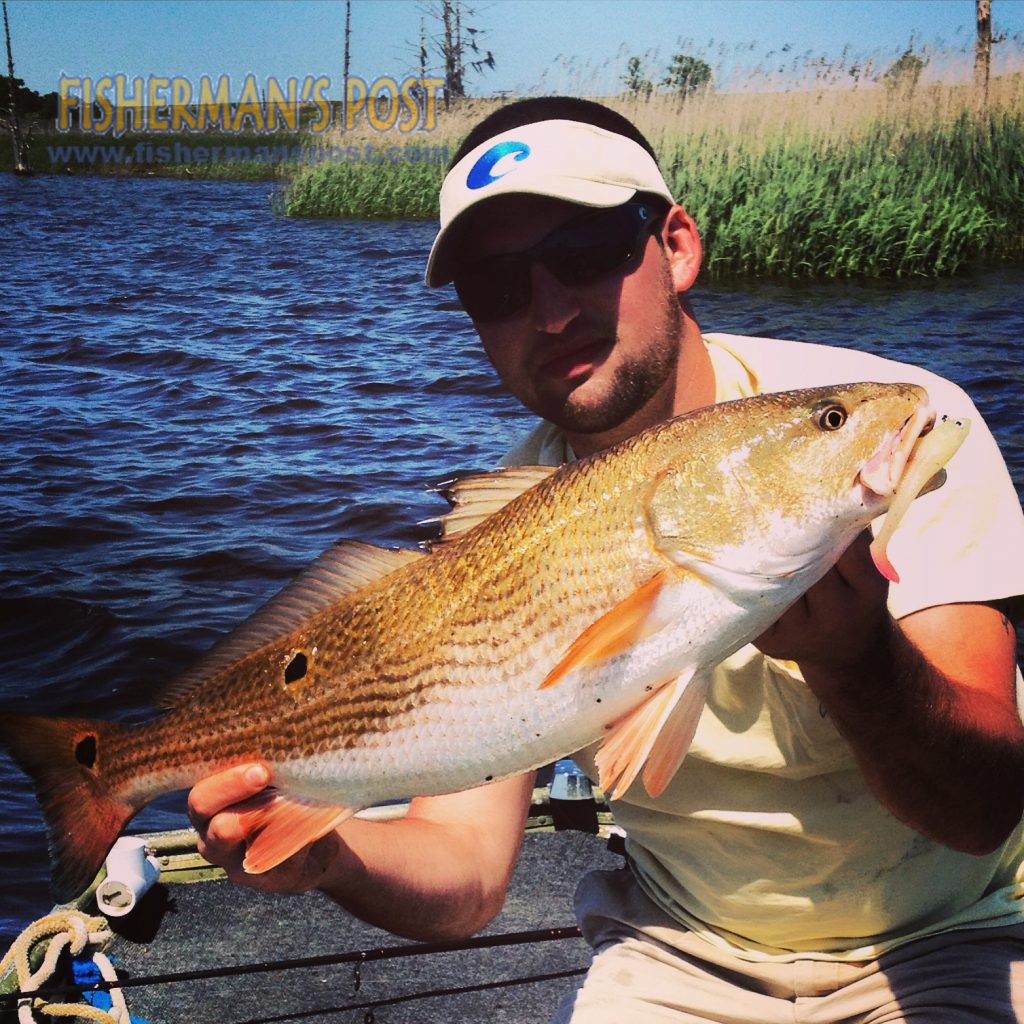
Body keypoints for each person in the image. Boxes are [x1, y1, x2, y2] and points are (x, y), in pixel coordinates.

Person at [188, 97, 1024, 1021]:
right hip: (679, 951)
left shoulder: (888, 424)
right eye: (496, 287)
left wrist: (857, 659)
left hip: (953, 933)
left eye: (585, 253)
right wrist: (331, 856)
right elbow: (465, 875)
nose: (548, 311)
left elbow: (983, 810)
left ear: (676, 246)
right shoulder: (503, 519)